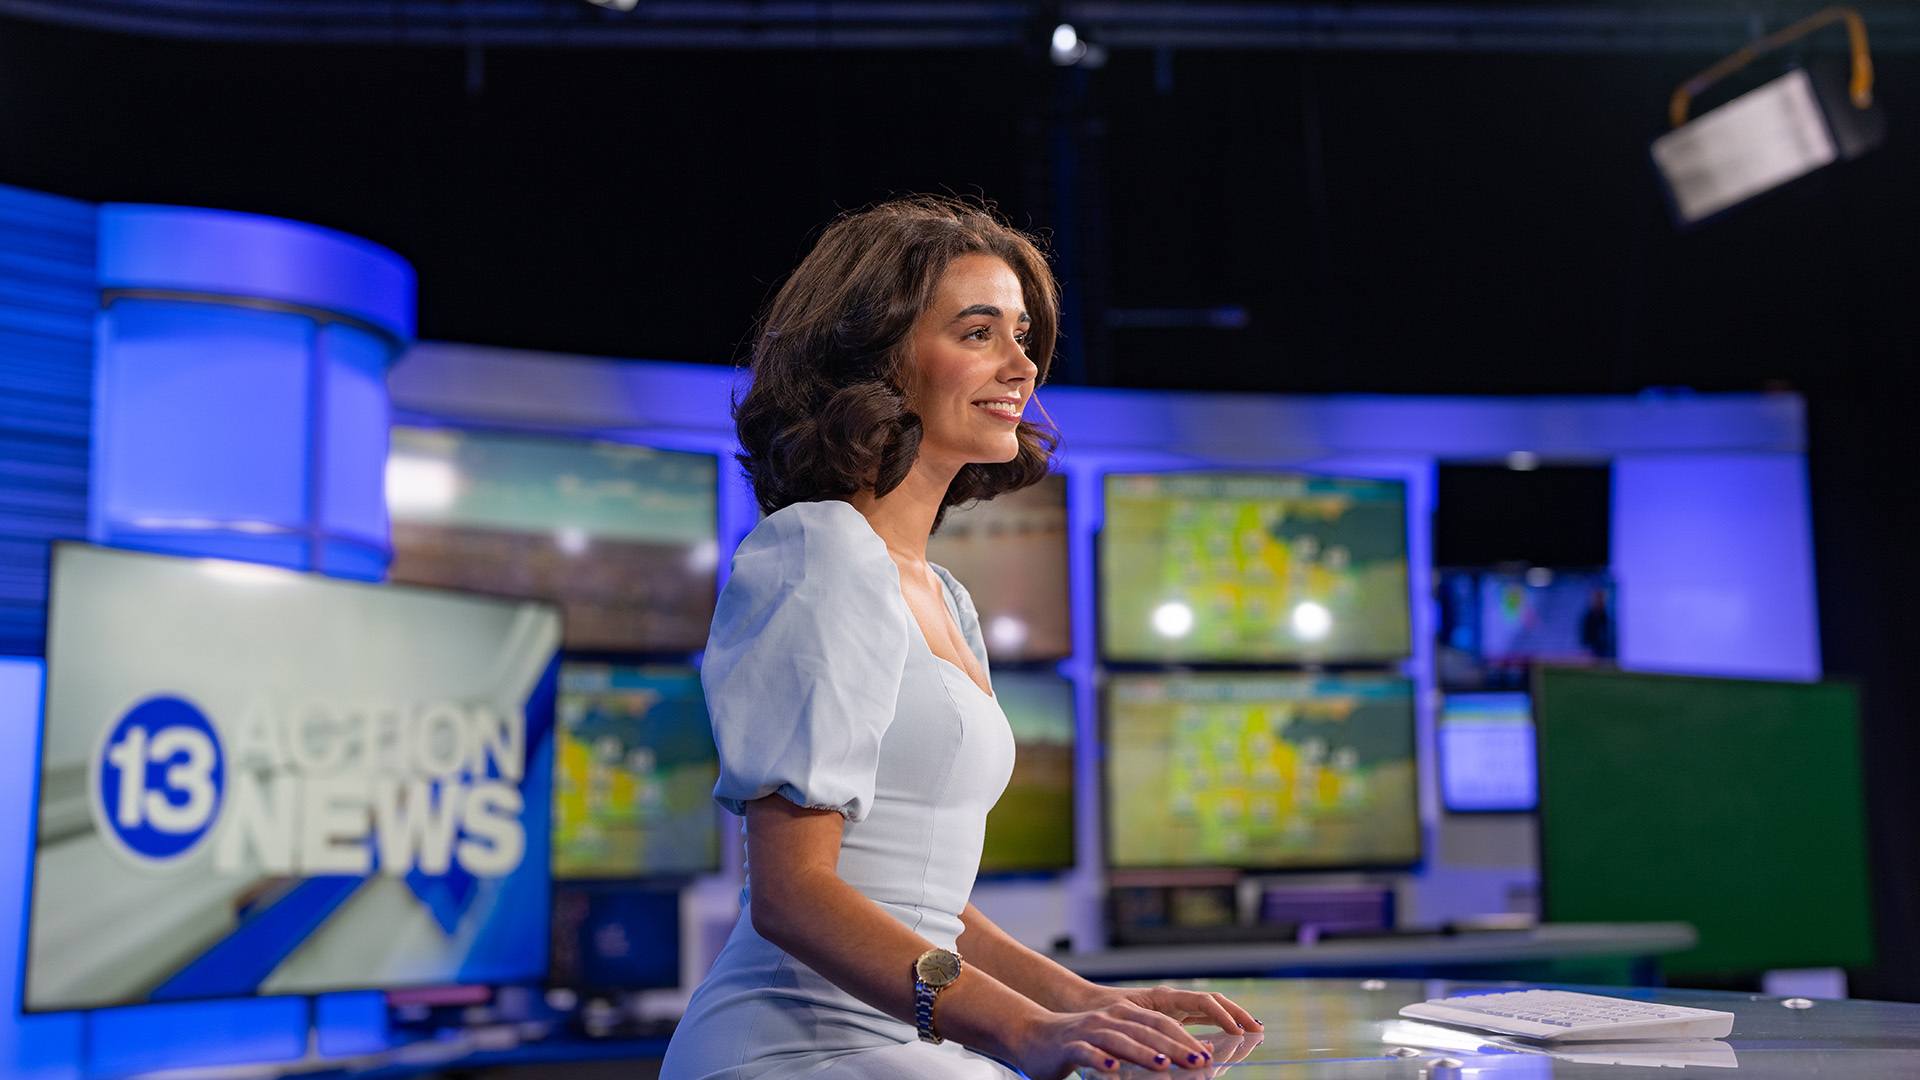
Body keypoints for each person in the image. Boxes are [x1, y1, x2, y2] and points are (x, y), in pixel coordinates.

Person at [660, 197, 1263, 1079]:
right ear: (876, 357)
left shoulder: (939, 590)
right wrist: (1023, 1033)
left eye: (1023, 335)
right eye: (979, 332)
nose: (1020, 365)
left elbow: (930, 907)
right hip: (803, 1048)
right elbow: (794, 897)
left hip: (907, 1039)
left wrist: (1086, 1003)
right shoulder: (816, 551)